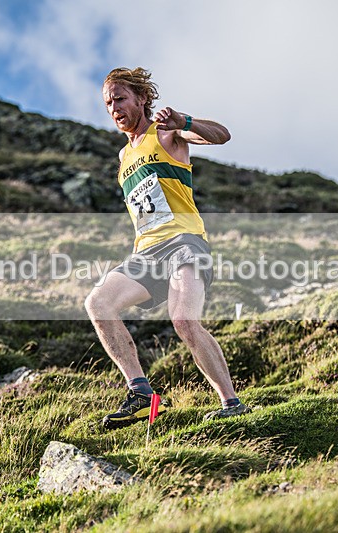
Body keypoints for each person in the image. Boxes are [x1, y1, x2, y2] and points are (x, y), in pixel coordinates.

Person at [86, 67, 250, 430]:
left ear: (142, 98)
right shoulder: (123, 158)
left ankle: (232, 403)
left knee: (184, 321)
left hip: (184, 243)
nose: (114, 107)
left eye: (121, 98)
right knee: (98, 303)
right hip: (147, 252)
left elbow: (222, 136)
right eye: (108, 102)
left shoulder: (165, 132)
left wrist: (183, 120)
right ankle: (141, 392)